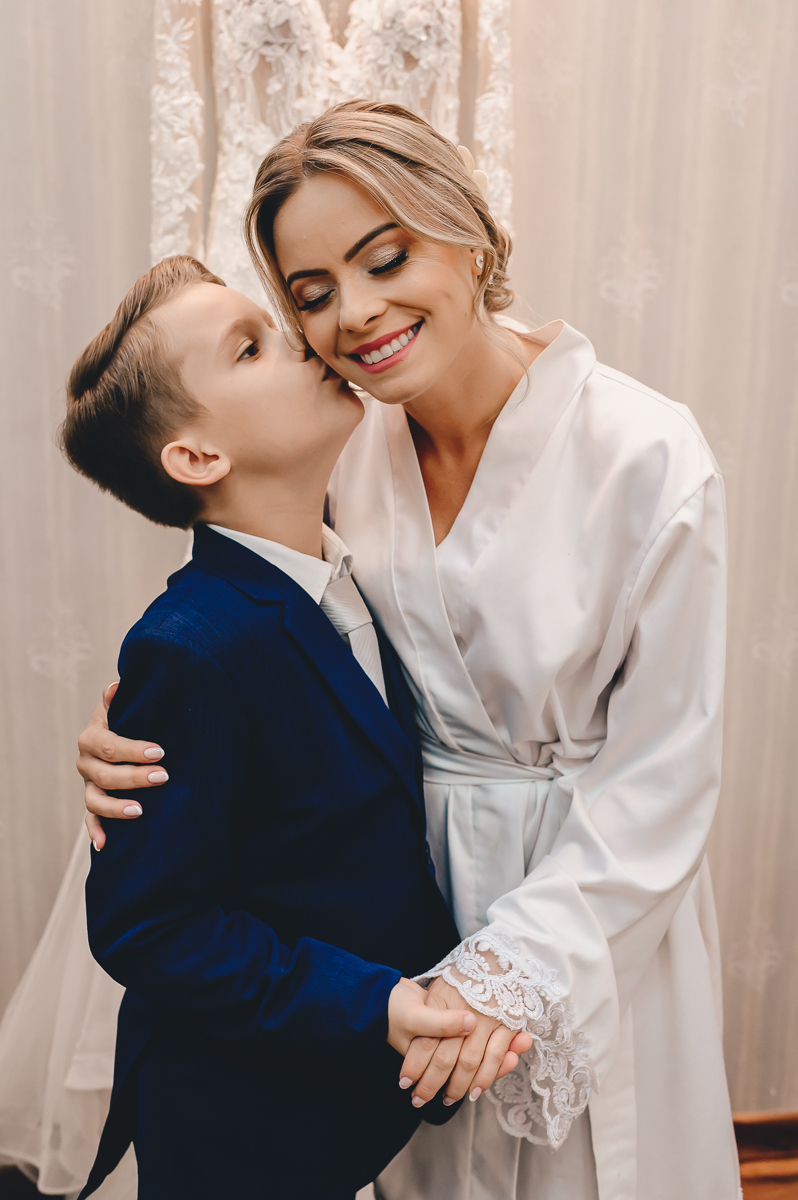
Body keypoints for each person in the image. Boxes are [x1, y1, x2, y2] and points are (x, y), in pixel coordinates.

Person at [79, 100, 740, 1199]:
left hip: (590, 898)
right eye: (311, 295)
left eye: (386, 259)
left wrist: (508, 977)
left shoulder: (646, 457)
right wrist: (121, 741)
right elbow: (253, 635)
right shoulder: (340, 437)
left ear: (467, 232)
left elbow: (665, 774)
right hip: (394, 920)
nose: (356, 315)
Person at [58, 253, 531, 1200]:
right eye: (252, 347)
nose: (308, 342)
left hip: (342, 1120)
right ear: (197, 457)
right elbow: (150, 925)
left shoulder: (355, 567)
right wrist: (374, 1003)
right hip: (241, 1134)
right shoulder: (191, 649)